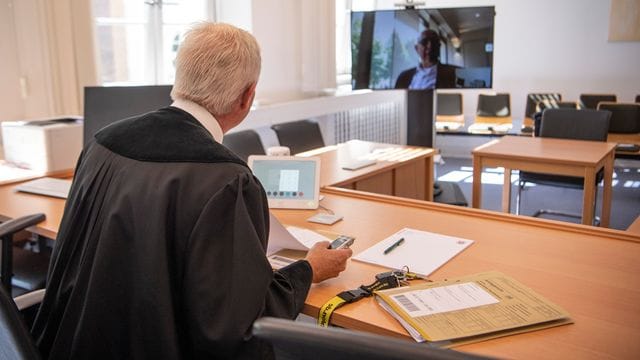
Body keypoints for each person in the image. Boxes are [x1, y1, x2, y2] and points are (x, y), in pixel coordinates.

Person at [31, 22, 352, 359]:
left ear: (180, 79)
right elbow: (236, 329)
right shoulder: (226, 179)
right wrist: (308, 269)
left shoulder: (101, 143)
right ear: (248, 96)